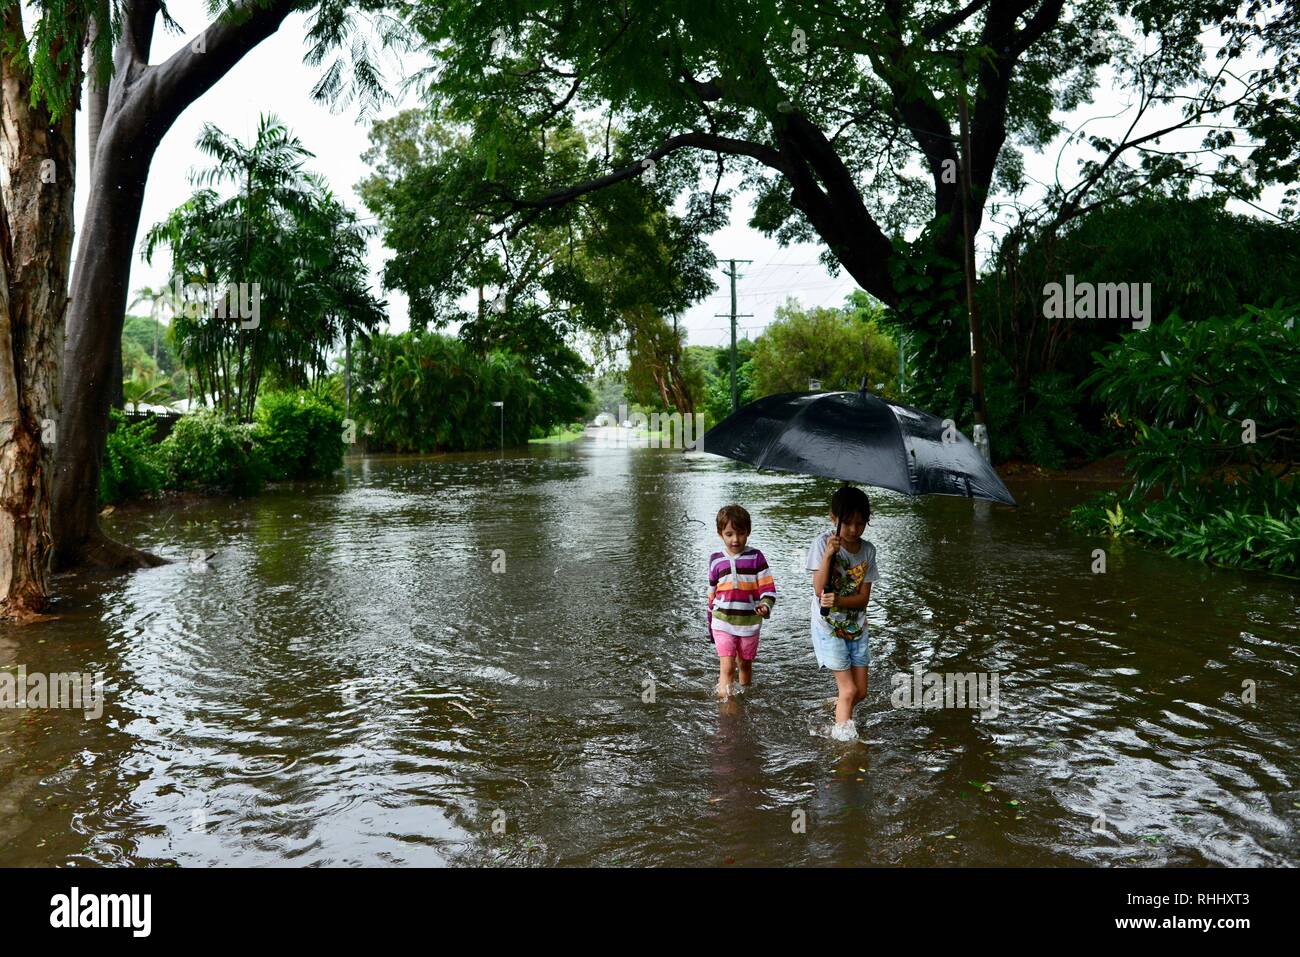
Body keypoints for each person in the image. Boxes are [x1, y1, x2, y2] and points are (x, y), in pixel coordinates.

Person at [806, 486, 880, 740]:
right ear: (833, 518)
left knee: (860, 692)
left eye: (860, 523)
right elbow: (818, 589)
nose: (853, 529)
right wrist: (828, 556)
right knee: (848, 691)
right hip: (828, 626)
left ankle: (839, 708)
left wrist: (838, 598)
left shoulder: (868, 551)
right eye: (847, 522)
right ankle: (844, 746)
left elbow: (863, 598)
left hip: (857, 626)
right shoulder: (823, 544)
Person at [707, 504, 776, 699]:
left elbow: (768, 588)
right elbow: (711, 595)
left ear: (748, 532)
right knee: (727, 667)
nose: (735, 539)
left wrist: (765, 605)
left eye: (741, 533)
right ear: (720, 534)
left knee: (745, 664)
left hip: (749, 623)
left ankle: (745, 698)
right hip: (722, 622)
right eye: (729, 534)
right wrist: (710, 623)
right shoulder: (715, 560)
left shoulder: (756, 557)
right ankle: (727, 708)